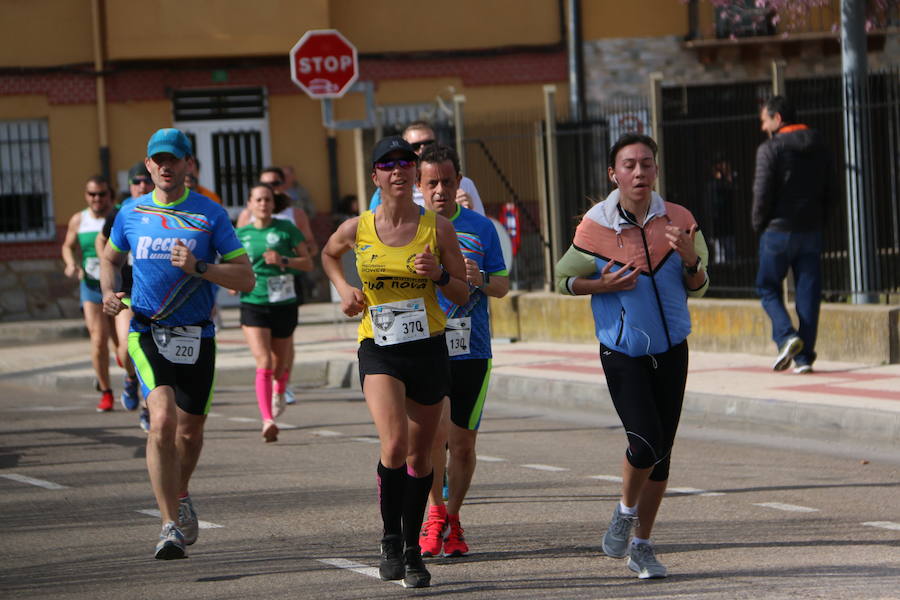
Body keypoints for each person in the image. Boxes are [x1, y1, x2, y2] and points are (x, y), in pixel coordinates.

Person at [554, 133, 709, 580]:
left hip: (673, 349)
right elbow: (562, 281)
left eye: (646, 164)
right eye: (629, 165)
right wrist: (601, 286)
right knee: (644, 442)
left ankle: (641, 546)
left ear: (656, 170)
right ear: (613, 174)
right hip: (623, 351)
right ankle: (624, 513)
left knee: (662, 454)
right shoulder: (595, 226)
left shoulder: (679, 220)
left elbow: (701, 284)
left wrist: (689, 261)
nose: (639, 172)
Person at [321, 135, 468, 588]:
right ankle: (389, 538)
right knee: (395, 443)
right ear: (376, 176)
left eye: (407, 163)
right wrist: (345, 291)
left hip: (427, 347)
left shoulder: (437, 227)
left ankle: (411, 548)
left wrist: (439, 275)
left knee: (422, 457)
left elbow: (463, 291)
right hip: (379, 346)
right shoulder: (358, 227)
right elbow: (328, 254)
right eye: (389, 164)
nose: (399, 171)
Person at [100, 128, 254, 560]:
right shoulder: (130, 213)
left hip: (197, 335)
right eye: (157, 160)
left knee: (191, 432)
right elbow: (110, 259)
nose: (165, 167)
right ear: (148, 166)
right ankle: (168, 524)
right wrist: (110, 293)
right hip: (146, 329)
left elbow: (245, 277)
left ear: (188, 165)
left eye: (174, 159)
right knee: (162, 419)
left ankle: (180, 490)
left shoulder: (210, 215)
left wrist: (201, 266)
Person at [415, 144, 509, 558]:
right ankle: (434, 514)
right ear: (419, 185)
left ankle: (452, 517)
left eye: (447, 182)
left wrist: (481, 276)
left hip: (472, 348)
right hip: (427, 347)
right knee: (434, 438)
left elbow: (503, 287)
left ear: (458, 184)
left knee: (463, 445)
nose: (440, 190)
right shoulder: (409, 228)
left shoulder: (481, 228)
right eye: (431, 183)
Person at [753, 95, 835, 374]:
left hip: (778, 231)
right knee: (808, 294)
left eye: (765, 120)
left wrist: (758, 224)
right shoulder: (820, 144)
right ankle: (804, 359)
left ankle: (788, 337)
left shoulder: (770, 149)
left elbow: (761, 194)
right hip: (811, 230)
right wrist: (822, 221)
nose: (763, 127)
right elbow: (833, 189)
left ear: (777, 119)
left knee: (767, 287)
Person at [234, 183, 312, 441]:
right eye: (258, 200)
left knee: (280, 365)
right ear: (250, 204)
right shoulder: (241, 234)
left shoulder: (286, 229)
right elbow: (230, 264)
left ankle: (280, 387)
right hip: (253, 302)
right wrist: (233, 282)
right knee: (264, 361)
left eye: (267, 199)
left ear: (273, 203)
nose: (263, 204)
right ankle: (267, 420)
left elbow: (308, 263)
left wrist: (284, 261)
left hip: (283, 302)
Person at [95, 162, 154, 428]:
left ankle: (147, 406)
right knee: (125, 348)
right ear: (129, 186)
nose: (142, 186)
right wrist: (105, 261)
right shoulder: (120, 213)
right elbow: (101, 238)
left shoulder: (160, 212)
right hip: (127, 291)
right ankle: (130, 379)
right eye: (137, 182)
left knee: (150, 353)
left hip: (155, 293)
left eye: (146, 181)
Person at [62, 175, 116, 412]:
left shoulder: (118, 215)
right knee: (98, 340)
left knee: (122, 345)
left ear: (109, 195)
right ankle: (106, 391)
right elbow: (67, 245)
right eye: (92, 194)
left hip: (117, 287)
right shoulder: (79, 219)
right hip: (91, 287)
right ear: (86, 195)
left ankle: (131, 378)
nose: (97, 199)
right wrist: (70, 263)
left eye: (101, 194)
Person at [368, 121, 486, 216]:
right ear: (419, 185)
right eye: (415, 146)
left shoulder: (465, 184)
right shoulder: (386, 192)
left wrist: (465, 211)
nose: (423, 149)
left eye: (429, 143)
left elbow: (481, 230)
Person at [703, 155, 736, 265]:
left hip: (727, 224)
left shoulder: (726, 183)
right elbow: (712, 208)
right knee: (721, 254)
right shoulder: (713, 185)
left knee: (729, 252)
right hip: (718, 225)